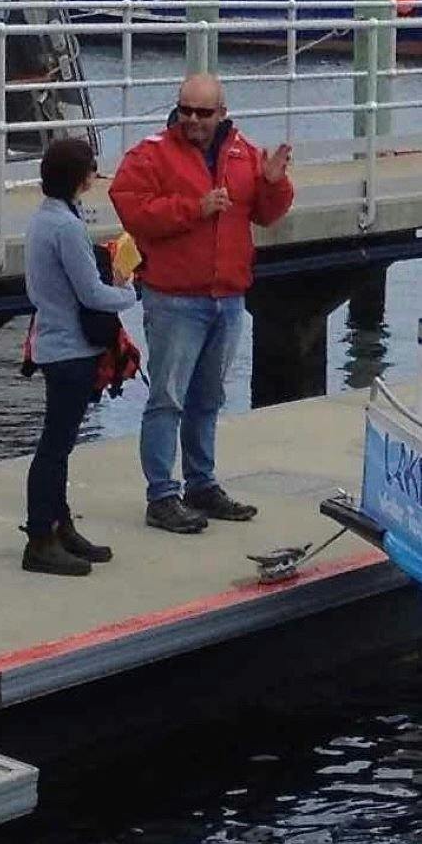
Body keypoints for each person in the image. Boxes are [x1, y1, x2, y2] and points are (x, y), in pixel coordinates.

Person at [110, 73, 294, 533]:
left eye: (203, 112)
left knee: (208, 397)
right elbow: (131, 209)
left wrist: (273, 183)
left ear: (222, 114)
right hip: (174, 298)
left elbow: (268, 215)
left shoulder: (244, 154)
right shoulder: (150, 153)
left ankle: (202, 484)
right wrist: (194, 207)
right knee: (167, 398)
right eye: (185, 110)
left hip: (227, 297)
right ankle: (161, 494)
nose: (192, 120)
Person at [21, 136, 140, 577]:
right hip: (70, 349)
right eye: (91, 169)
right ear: (80, 179)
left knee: (61, 443)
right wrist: (128, 290)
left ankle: (60, 525)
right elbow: (90, 292)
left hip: (53, 342)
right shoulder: (67, 227)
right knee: (55, 445)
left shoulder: (42, 219)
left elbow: (40, 289)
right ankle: (39, 537)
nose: (95, 175)